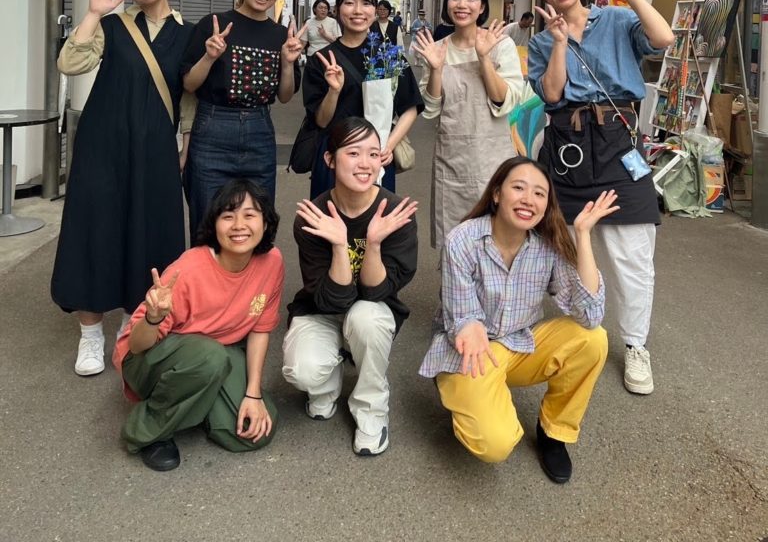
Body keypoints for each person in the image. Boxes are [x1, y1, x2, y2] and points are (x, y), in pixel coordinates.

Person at [527, 0, 675, 396]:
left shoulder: (616, 19)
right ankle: (578, 332)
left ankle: (635, 344)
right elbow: (553, 95)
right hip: (567, 149)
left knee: (633, 255)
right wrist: (558, 43)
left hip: (617, 145)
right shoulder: (540, 41)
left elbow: (664, 39)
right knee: (566, 251)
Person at [419, 157, 613, 483]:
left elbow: (590, 315)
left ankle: (554, 432)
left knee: (593, 339)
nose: (528, 200)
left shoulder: (547, 244)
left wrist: (582, 235)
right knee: (495, 444)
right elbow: (462, 316)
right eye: (519, 188)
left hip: (518, 344)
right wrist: (470, 327)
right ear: (497, 194)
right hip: (470, 351)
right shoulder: (463, 240)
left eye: (539, 193)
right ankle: (462, 392)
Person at [51, 0, 195, 377]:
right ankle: (90, 334)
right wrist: (94, 13)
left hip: (156, 149)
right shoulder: (113, 27)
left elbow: (189, 95)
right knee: (95, 230)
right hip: (103, 146)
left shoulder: (189, 34)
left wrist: (186, 143)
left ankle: (135, 322)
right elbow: (70, 63)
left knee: (150, 232)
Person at [113, 180, 284, 472]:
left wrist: (253, 394)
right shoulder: (189, 270)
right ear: (214, 225)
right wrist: (153, 317)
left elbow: (260, 329)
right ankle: (149, 430)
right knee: (209, 357)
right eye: (228, 216)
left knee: (254, 432)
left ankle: (195, 403)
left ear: (266, 223)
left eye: (250, 215)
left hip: (215, 353)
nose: (239, 225)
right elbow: (136, 346)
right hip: (150, 358)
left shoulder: (272, 262)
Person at [282, 118, 418, 456]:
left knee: (365, 318)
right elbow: (332, 300)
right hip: (322, 310)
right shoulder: (313, 217)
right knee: (302, 371)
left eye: (373, 153)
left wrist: (374, 243)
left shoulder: (395, 214)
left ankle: (372, 409)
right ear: (330, 159)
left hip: (371, 310)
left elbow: (375, 293)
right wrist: (340, 245)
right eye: (353, 153)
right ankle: (327, 380)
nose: (365, 163)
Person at [182, 0, 303, 235]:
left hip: (259, 131)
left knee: (256, 224)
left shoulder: (280, 36)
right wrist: (209, 57)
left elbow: (285, 96)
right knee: (207, 223)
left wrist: (287, 63)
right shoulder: (213, 24)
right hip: (212, 130)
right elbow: (189, 84)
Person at [411, 0, 524, 248]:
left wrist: (484, 57)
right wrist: (436, 69)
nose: (462, 4)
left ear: (482, 6)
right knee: (454, 240)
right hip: (451, 158)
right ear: (447, 4)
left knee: (496, 236)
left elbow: (504, 101)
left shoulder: (500, 44)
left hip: (493, 157)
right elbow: (431, 109)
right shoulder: (437, 49)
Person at [302, 0, 423, 199]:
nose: (358, 10)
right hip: (334, 157)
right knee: (331, 217)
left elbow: (411, 107)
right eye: (349, 3)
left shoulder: (388, 56)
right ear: (337, 10)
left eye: (366, 3)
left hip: (377, 156)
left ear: (375, 11)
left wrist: (388, 145)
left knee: (377, 217)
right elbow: (320, 121)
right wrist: (334, 91)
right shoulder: (321, 59)